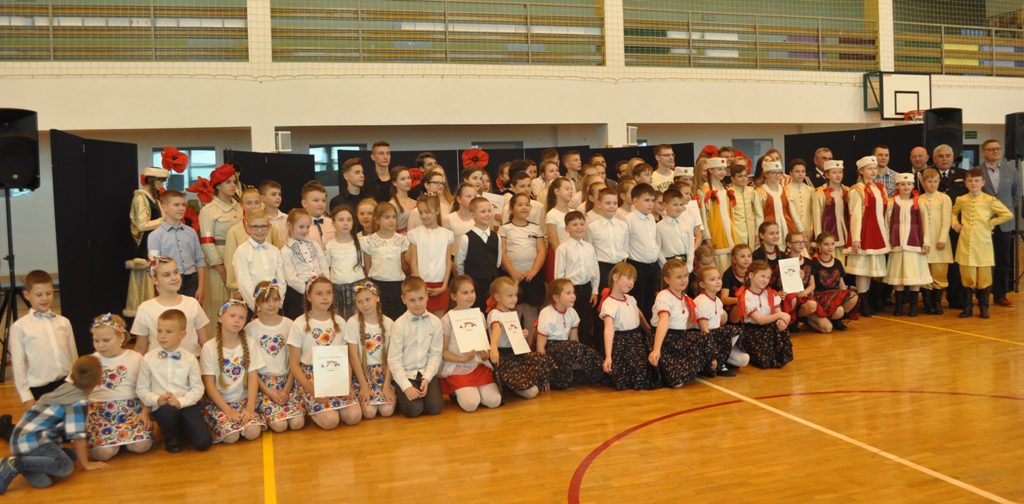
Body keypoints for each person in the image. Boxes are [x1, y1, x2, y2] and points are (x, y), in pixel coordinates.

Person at [0, 356, 107, 495]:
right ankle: (15, 464)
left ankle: (25, 464)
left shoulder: (67, 388)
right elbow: (78, 437)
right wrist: (86, 465)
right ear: (99, 381)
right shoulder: (78, 401)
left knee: (45, 482)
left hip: (19, 441)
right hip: (34, 442)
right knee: (65, 466)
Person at [287, 276, 361, 429]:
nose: (325, 297)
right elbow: (294, 365)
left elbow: (346, 358)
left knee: (354, 416)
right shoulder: (299, 324)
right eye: (319, 293)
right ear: (309, 297)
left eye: (328, 292)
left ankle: (333, 408)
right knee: (330, 421)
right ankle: (309, 408)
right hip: (311, 378)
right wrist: (312, 389)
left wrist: (347, 384)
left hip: (337, 374)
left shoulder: (340, 322)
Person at [136, 309, 212, 453]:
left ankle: (183, 428)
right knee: (167, 413)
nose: (162, 336)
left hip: (186, 404)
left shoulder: (190, 358)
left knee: (204, 443)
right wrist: (157, 399)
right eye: (159, 331)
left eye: (168, 332)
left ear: (182, 335)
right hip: (162, 407)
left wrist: (180, 402)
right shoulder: (148, 358)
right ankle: (171, 437)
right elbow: (142, 389)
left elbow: (198, 389)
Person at [8, 271, 78, 413]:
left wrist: (75, 382)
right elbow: (18, 366)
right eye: (39, 295)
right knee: (46, 426)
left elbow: (74, 356)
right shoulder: (19, 327)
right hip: (39, 389)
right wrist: (26, 397)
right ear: (27, 295)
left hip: (67, 384)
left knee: (70, 425)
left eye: (49, 293)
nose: (45, 298)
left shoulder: (64, 322)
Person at [86, 314, 153, 461]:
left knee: (142, 446)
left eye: (106, 340)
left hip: (131, 412)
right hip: (101, 415)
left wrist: (145, 411)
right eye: (96, 340)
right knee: (103, 454)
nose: (101, 345)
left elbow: (146, 386)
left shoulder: (136, 358)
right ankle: (107, 444)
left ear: (121, 338)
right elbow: (76, 390)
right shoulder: (90, 361)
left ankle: (122, 441)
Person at [200, 300, 266, 444]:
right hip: (220, 405)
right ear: (220, 317)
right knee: (231, 437)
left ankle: (243, 423)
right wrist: (228, 411)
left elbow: (253, 377)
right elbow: (209, 386)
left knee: (252, 432)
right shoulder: (209, 347)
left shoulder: (250, 343)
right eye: (232, 315)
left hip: (244, 402)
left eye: (241, 317)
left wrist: (250, 408)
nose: (237, 320)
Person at [952, 168, 1013, 319]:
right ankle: (967, 308)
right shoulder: (961, 200)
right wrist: (955, 224)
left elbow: (1007, 214)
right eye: (970, 181)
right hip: (966, 242)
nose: (973, 183)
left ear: (983, 182)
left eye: (977, 180)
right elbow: (953, 213)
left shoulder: (989, 200)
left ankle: (984, 307)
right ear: (965, 183)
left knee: (984, 277)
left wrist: (990, 223)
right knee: (967, 276)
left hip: (983, 242)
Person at [647, 260, 719, 388]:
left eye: (685, 276)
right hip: (665, 340)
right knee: (676, 382)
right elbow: (663, 321)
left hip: (680, 339)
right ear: (667, 280)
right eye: (679, 277)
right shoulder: (664, 296)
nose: (684, 280)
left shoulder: (685, 298)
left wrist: (710, 353)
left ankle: (701, 366)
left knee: (705, 338)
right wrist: (656, 349)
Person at [245, 281, 305, 433]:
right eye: (266, 301)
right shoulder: (250, 329)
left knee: (297, 423)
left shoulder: (290, 325)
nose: (271, 305)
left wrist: (286, 389)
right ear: (258, 303)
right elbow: (251, 369)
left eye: (275, 299)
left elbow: (294, 363)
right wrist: (268, 392)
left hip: (287, 383)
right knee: (280, 426)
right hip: (263, 386)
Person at [438, 277, 501, 412]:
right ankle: (455, 392)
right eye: (465, 293)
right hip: (458, 367)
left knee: (494, 401)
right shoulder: (446, 319)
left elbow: (484, 344)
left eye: (472, 291)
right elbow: (443, 352)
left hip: (478, 365)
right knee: (471, 404)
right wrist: (462, 359)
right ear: (454, 296)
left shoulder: (479, 315)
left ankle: (473, 390)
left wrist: (485, 354)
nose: (470, 296)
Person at [488, 277, 554, 399]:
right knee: (532, 392)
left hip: (515, 354)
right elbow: (496, 330)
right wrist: (493, 348)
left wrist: (520, 334)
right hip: (503, 356)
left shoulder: (510, 314)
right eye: (510, 296)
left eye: (515, 295)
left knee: (542, 359)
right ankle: (510, 384)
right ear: (497, 297)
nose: (514, 299)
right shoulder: (495, 314)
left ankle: (519, 383)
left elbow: (511, 336)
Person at [387, 277, 444, 418]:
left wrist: (427, 378)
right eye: (412, 300)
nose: (417, 304)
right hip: (406, 374)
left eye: (421, 299)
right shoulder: (399, 325)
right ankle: (400, 393)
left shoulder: (436, 322)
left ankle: (423, 391)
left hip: (425, 372)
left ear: (427, 297)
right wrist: (406, 386)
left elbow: (435, 354)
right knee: (413, 410)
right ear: (403, 299)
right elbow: (394, 360)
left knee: (435, 407)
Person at [131, 257, 210, 355]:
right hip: (158, 363)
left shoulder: (192, 303)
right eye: (167, 275)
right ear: (155, 280)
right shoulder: (145, 308)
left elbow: (205, 343)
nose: (174, 277)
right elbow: (141, 349)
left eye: (176, 272)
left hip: (191, 362)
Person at [599, 263, 660, 390]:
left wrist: (649, 330)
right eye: (628, 278)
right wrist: (608, 356)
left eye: (633, 280)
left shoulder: (630, 298)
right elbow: (609, 330)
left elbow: (640, 315)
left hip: (637, 339)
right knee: (634, 375)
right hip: (623, 343)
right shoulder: (609, 304)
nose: (632, 282)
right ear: (615, 277)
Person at [536, 279, 603, 390]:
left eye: (573, 292)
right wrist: (544, 372)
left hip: (567, 348)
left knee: (589, 354)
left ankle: (603, 374)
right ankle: (555, 378)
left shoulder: (572, 312)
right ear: (556, 297)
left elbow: (574, 340)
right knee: (570, 348)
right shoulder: (546, 313)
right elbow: (540, 346)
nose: (573, 296)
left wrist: (583, 355)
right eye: (568, 293)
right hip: (551, 349)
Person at [198, 164, 242, 333]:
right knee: (217, 305)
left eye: (234, 182)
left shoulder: (239, 207)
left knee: (236, 306)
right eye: (228, 182)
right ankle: (214, 342)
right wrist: (222, 270)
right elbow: (207, 243)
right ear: (217, 185)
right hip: (218, 267)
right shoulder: (209, 210)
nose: (233, 185)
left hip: (238, 262)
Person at [345, 280, 397, 420]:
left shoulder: (389, 323)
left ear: (377, 298)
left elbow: (392, 357)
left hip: (384, 374)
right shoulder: (352, 323)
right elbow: (353, 357)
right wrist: (363, 385)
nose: (364, 304)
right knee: (369, 413)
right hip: (362, 374)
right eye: (359, 302)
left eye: (368, 299)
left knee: (387, 411)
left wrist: (386, 385)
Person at [977, 139, 1020, 308]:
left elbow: (1016, 195)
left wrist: (1004, 213)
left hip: (1004, 224)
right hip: (984, 223)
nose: (995, 151)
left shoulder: (1011, 170)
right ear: (983, 152)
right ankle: (983, 295)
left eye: (997, 148)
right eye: (991, 149)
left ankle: (1000, 295)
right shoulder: (977, 171)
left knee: (1003, 260)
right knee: (984, 260)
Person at [846, 156, 891, 317]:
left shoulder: (879, 188)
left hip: (878, 234)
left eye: (875, 168)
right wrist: (856, 238)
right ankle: (863, 304)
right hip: (865, 233)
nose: (873, 171)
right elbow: (855, 215)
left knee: (873, 270)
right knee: (862, 270)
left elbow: (885, 214)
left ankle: (872, 301)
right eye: (869, 168)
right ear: (861, 171)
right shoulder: (856, 190)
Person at [884, 173, 933, 317]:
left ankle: (913, 306)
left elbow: (925, 224)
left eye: (909, 184)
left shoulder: (920, 202)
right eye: (903, 184)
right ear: (897, 186)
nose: (906, 187)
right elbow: (887, 223)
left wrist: (926, 242)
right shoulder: (892, 202)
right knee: (898, 274)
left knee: (914, 274)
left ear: (913, 186)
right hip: (897, 243)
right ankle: (898, 305)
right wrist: (887, 242)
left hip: (915, 242)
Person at [501, 193, 547, 342]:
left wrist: (533, 271)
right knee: (513, 309)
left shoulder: (535, 228)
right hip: (512, 277)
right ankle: (514, 345)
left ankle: (530, 346)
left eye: (527, 204)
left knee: (531, 310)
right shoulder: (505, 228)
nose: (524, 207)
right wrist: (513, 272)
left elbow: (542, 251)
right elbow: (502, 252)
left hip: (532, 276)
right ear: (511, 208)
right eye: (520, 204)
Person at [553, 212, 600, 353]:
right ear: (566, 229)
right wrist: (563, 294)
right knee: (570, 321)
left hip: (586, 289)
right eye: (574, 225)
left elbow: (595, 270)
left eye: (581, 224)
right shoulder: (563, 248)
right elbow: (559, 275)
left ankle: (585, 351)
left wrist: (595, 290)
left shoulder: (589, 247)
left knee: (585, 321)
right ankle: (570, 350)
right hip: (570, 290)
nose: (579, 227)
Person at [148, 190, 206, 300]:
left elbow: (199, 260)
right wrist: (157, 290)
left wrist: (201, 287)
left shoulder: (191, 232)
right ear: (164, 207)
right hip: (168, 282)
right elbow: (153, 266)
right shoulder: (155, 236)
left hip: (191, 281)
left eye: (183, 204)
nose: (181, 208)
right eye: (176, 205)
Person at [224, 187, 284, 295]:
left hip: (270, 288)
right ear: (241, 205)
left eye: (257, 202)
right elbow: (230, 265)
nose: (253, 206)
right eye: (249, 203)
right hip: (243, 291)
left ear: (262, 204)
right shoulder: (233, 231)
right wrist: (236, 288)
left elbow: (278, 253)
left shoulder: (271, 227)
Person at [126, 165, 168, 318]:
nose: (162, 185)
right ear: (151, 180)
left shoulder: (154, 198)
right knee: (149, 283)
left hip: (157, 243)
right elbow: (141, 225)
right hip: (146, 245)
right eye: (160, 181)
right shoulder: (140, 197)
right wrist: (163, 220)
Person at [735, 260, 794, 368]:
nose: (765, 280)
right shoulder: (747, 296)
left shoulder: (770, 293)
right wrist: (779, 316)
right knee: (764, 360)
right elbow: (760, 320)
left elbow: (778, 312)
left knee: (780, 329)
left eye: (768, 277)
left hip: (768, 327)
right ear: (751, 275)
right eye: (762, 276)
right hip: (753, 330)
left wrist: (782, 321)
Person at [933, 144, 968, 309]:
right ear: (934, 159)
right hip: (934, 227)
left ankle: (956, 299)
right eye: (941, 156)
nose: (944, 159)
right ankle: (933, 300)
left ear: (953, 158)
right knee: (935, 264)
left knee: (955, 264)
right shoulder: (926, 174)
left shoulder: (963, 174)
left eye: (948, 156)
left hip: (956, 227)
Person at [693, 266, 746, 376]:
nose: (717, 282)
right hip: (703, 338)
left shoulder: (717, 300)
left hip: (714, 336)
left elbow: (719, 322)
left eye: (719, 278)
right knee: (732, 330)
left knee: (744, 359)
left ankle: (723, 359)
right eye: (712, 279)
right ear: (702, 284)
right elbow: (704, 331)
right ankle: (717, 361)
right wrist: (712, 354)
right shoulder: (701, 301)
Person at [408, 195, 455, 316]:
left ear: (437, 211)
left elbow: (448, 262)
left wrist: (444, 286)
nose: (423, 215)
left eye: (427, 212)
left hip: (440, 285)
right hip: (421, 286)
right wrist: (420, 286)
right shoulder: (415, 234)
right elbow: (414, 261)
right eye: (421, 212)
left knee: (438, 321)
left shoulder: (447, 234)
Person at [232, 208, 287, 311]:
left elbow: (281, 280)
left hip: (274, 305)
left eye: (263, 226)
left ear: (269, 227)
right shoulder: (241, 251)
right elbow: (244, 284)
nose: (260, 230)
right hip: (254, 306)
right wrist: (257, 306)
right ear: (247, 228)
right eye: (255, 227)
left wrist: (277, 303)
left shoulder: (275, 251)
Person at [281, 209, 330, 319]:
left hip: (320, 288)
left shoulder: (314, 244)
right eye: (301, 227)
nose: (305, 230)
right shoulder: (286, 250)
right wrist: (308, 290)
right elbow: (291, 277)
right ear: (290, 225)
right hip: (300, 293)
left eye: (308, 227)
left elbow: (324, 265)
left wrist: (325, 284)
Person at [455, 197, 502, 312]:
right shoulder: (466, 238)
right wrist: (466, 282)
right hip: (474, 287)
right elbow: (459, 263)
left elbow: (498, 262)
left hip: (492, 287)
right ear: (473, 214)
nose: (487, 214)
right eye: (483, 211)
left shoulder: (496, 236)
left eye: (489, 210)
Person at [919, 168, 953, 314]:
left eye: (935, 181)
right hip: (925, 242)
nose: (932, 184)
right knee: (925, 271)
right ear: (923, 183)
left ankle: (937, 302)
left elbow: (947, 220)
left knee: (939, 272)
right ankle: (927, 303)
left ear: (939, 182)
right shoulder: (919, 199)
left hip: (940, 241)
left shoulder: (944, 198)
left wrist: (942, 239)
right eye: (929, 181)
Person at [325, 205, 366, 320]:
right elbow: (327, 268)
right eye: (341, 220)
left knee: (358, 321)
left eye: (349, 219)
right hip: (337, 289)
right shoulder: (330, 245)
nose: (345, 223)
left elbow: (366, 266)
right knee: (339, 321)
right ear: (333, 223)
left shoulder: (361, 242)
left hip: (358, 288)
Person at [809, 233, 857, 330]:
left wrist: (844, 296)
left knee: (853, 297)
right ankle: (823, 318)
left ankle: (836, 319)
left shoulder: (837, 262)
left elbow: (841, 284)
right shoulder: (813, 263)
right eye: (826, 244)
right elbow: (811, 286)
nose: (830, 247)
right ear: (819, 246)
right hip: (821, 296)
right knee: (838, 311)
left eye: (832, 244)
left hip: (835, 294)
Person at [626, 183, 660, 319]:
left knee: (651, 301)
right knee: (638, 301)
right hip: (637, 266)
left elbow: (652, 240)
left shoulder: (651, 218)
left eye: (652, 200)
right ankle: (639, 329)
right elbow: (625, 244)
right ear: (635, 201)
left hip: (653, 266)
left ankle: (650, 329)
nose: (650, 204)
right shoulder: (629, 219)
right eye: (646, 200)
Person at [587, 187, 629, 296]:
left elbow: (625, 248)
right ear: (599, 204)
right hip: (602, 268)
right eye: (608, 203)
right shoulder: (592, 227)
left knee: (620, 297)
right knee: (604, 298)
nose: (612, 206)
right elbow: (589, 251)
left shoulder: (623, 226)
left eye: (615, 203)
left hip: (620, 267)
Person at [700, 158, 739, 271]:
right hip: (716, 235)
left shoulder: (726, 189)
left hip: (729, 233)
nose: (723, 172)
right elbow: (703, 217)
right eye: (719, 169)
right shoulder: (705, 191)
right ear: (710, 170)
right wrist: (707, 237)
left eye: (724, 169)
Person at [754, 160, 801, 246]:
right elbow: (759, 215)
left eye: (779, 173)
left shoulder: (786, 190)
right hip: (770, 229)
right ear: (766, 174)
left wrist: (801, 229)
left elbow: (793, 213)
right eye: (773, 173)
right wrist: (758, 234)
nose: (777, 175)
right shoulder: (760, 192)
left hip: (787, 226)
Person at [812, 160, 850, 264]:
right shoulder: (819, 192)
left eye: (840, 172)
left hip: (845, 232)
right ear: (827, 175)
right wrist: (819, 238)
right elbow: (817, 217)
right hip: (829, 231)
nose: (838, 175)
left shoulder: (847, 190)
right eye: (834, 172)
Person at [785, 159, 816, 240]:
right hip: (792, 228)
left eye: (803, 171)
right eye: (797, 171)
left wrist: (812, 229)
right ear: (791, 173)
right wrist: (800, 229)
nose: (800, 174)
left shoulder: (811, 190)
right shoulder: (786, 190)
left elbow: (813, 212)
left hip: (809, 229)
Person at [721, 244, 752, 324]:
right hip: (734, 307)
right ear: (734, 259)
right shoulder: (728, 274)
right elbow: (724, 298)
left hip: (751, 305)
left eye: (749, 256)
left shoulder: (754, 272)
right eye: (742, 256)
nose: (746, 259)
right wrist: (741, 300)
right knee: (739, 306)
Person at [729, 164, 758, 247]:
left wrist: (757, 232)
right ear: (732, 179)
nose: (744, 178)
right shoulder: (729, 192)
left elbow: (757, 213)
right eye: (740, 176)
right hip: (737, 231)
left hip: (752, 231)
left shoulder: (752, 191)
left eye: (745, 176)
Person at [300, 181, 333, 250]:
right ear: (304, 203)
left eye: (323, 200)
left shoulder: (331, 223)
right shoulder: (298, 225)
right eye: (316, 200)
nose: (321, 204)